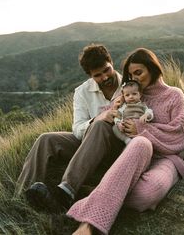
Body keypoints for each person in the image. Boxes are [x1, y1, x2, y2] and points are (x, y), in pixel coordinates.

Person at [67, 48, 184, 235]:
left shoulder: (174, 95)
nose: (135, 78)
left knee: (145, 195)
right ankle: (88, 225)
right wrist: (114, 109)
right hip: (134, 155)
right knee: (141, 144)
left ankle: (98, 191)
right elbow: (111, 120)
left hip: (166, 159)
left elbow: (179, 137)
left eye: (139, 72)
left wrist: (143, 129)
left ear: (152, 68)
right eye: (131, 74)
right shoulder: (130, 95)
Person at [16, 44, 124, 211]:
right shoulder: (82, 92)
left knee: (101, 126)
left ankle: (66, 191)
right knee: (46, 139)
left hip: (119, 147)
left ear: (111, 62)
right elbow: (78, 128)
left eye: (106, 70)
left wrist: (104, 122)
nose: (104, 77)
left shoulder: (129, 87)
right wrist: (97, 119)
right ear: (90, 75)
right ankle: (23, 199)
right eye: (98, 75)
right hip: (90, 146)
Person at [112, 80, 154, 145]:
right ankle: (126, 140)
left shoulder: (142, 105)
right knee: (114, 128)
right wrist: (118, 123)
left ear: (140, 95)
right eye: (127, 95)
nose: (131, 97)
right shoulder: (124, 107)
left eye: (134, 94)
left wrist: (146, 115)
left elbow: (150, 111)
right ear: (124, 97)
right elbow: (118, 116)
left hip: (138, 129)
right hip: (125, 129)